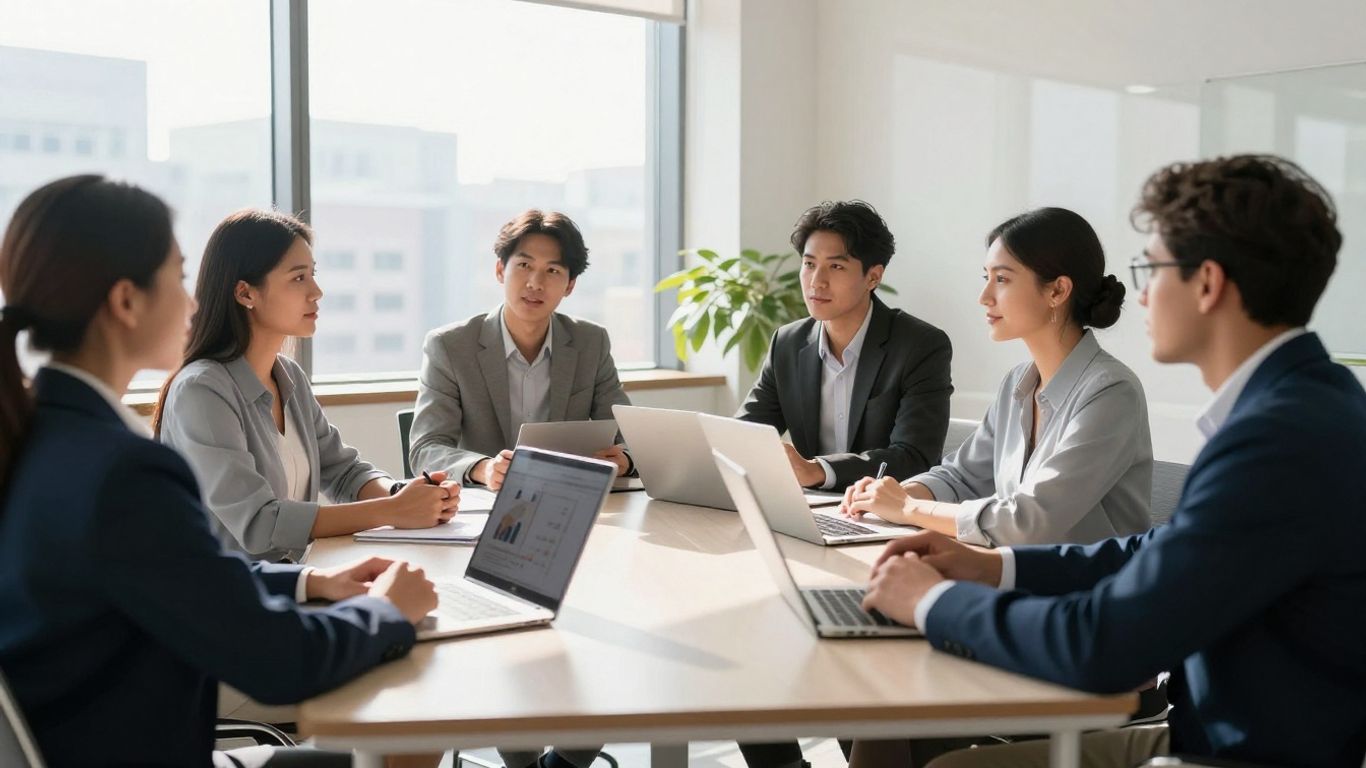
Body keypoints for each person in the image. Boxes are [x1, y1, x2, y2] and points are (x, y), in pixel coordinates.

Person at [861, 155, 1366, 768]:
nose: (1141, 294)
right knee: (900, 735)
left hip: (1236, 754)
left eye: (1151, 269)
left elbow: (1101, 644)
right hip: (1213, 733)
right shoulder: (1304, 404)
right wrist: (992, 567)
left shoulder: (1280, 438)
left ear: (1207, 284)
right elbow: (1158, 549)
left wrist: (931, 602)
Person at [0, 175, 438, 767]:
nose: (191, 303)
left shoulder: (45, 434)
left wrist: (310, 583)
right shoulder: (123, 471)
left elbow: (185, 575)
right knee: (405, 712)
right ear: (126, 302)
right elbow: (278, 660)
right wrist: (385, 611)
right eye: (178, 278)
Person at [156, 209, 460, 565]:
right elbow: (260, 524)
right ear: (245, 293)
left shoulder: (289, 377)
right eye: (298, 278)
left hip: (295, 577)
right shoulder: (201, 391)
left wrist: (405, 494)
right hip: (231, 590)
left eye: (313, 275)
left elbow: (344, 472)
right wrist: (393, 510)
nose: (317, 292)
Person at [842, 207, 1152, 547]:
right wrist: (893, 494)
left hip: (1089, 580)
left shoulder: (1112, 392)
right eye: (986, 277)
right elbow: (962, 477)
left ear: (1057, 291)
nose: (984, 297)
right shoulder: (1018, 383)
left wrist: (908, 508)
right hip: (1012, 569)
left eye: (1002, 279)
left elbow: (1030, 520)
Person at [736, 200, 953, 491]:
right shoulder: (787, 343)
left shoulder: (920, 346)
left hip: (885, 509)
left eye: (836, 266)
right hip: (811, 506)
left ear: (873, 277)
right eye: (809, 264)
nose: (817, 282)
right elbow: (742, 436)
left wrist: (819, 470)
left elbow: (914, 457)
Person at [410, 209, 630, 492]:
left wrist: (624, 459)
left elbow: (627, 436)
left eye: (552, 271)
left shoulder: (591, 342)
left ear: (570, 285)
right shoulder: (450, 346)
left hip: (567, 496)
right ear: (500, 270)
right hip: (485, 503)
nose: (535, 283)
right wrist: (484, 469)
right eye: (524, 265)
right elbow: (426, 449)